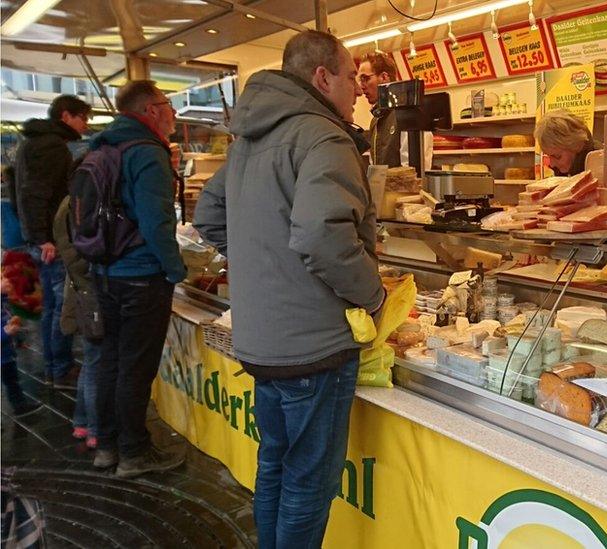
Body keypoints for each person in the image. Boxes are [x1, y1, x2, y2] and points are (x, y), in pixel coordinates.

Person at [194, 31, 385, 547]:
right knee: (308, 481)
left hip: (262, 340)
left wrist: (264, 262)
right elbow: (323, 236)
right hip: (313, 345)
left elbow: (208, 215)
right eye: (351, 78)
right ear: (323, 77)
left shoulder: (251, 134)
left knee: (274, 464)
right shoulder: (324, 136)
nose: (357, 91)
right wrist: (373, 295)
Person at [87, 80, 187, 478]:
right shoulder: (147, 153)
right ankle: (134, 454)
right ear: (150, 110)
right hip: (142, 276)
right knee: (135, 368)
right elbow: (156, 221)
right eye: (168, 104)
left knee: (109, 362)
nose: (174, 112)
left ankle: (106, 447)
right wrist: (176, 269)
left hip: (104, 271)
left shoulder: (103, 146)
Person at [14, 94, 91, 389]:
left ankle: (52, 366)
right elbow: (36, 193)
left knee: (50, 306)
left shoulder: (34, 142)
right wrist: (44, 238)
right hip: (52, 240)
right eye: (82, 117)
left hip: (40, 237)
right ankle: (60, 368)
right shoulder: (51, 146)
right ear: (65, 116)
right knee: (62, 304)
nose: (85, 124)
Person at [52, 195, 101, 449]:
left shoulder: (68, 205)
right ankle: (95, 430)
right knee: (96, 364)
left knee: (91, 363)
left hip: (80, 294)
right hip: (89, 295)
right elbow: (81, 259)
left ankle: (82, 421)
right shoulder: (76, 205)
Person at [356, 52, 433, 170]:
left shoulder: (409, 114)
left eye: (365, 79)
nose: (361, 86)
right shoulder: (376, 120)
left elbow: (414, 171)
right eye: (360, 80)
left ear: (384, 77)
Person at [2, 274, 41, 416]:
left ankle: (19, 405)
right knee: (10, 380)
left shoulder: (5, 302)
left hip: (7, 354)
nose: (7, 281)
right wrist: (5, 334)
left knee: (12, 381)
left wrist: (19, 339)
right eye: (1, 279)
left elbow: (11, 320)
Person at [534, 110, 597, 176]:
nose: (552, 165)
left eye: (557, 156)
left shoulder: (601, 163)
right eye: (548, 156)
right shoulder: (564, 169)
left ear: (576, 145)